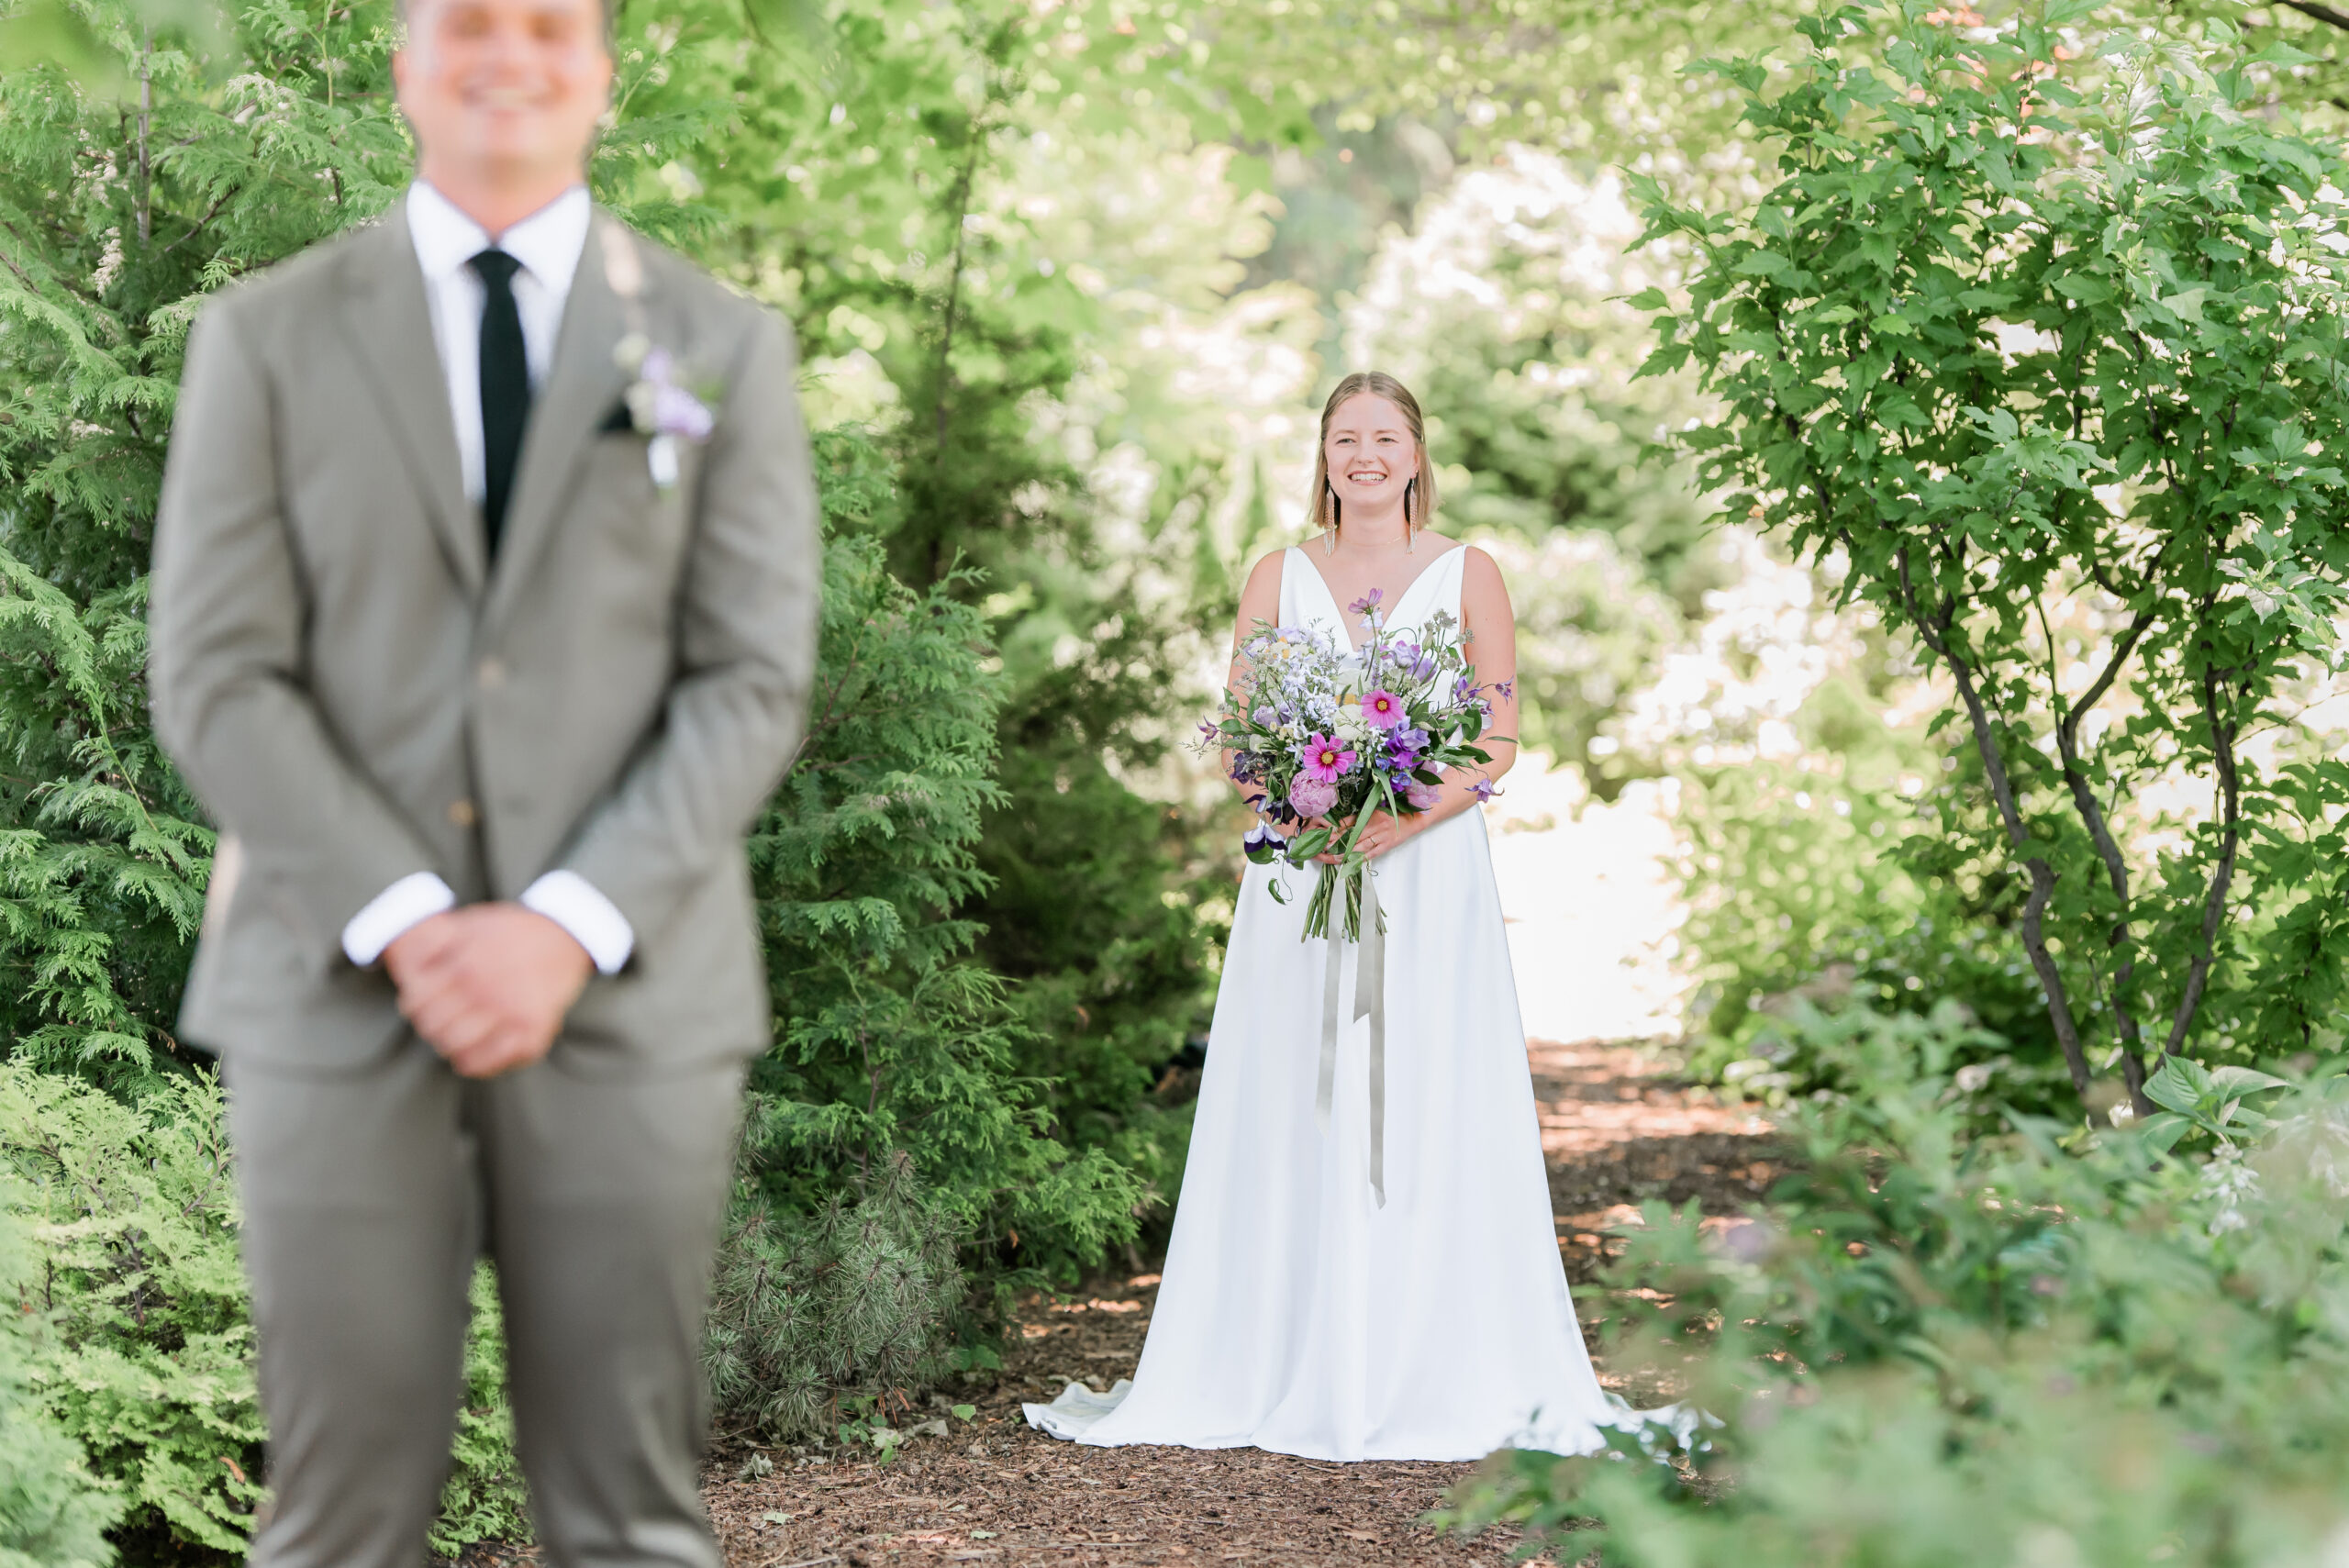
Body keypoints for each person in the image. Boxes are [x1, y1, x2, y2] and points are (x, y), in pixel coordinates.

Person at [146, 0, 818, 1558]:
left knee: (630, 1513)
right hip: (332, 989)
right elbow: (218, 673)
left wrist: (566, 919)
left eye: (546, 25)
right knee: (334, 1514)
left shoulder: (717, 343)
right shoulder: (267, 335)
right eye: (465, 22)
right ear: (406, 65)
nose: (504, 52)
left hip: (634, 998)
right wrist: (405, 915)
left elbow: (751, 676)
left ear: (596, 70)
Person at [1025, 373, 1619, 1461]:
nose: (1364, 455)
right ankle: (1279, 1349)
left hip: (1427, 875)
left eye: (1383, 436)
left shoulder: (1468, 571)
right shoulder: (1277, 575)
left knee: (1424, 1090)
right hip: (1300, 877)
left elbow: (1496, 739)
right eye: (1345, 437)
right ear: (1324, 455)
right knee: (1298, 1095)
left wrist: (1398, 821)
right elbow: (1244, 731)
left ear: (1415, 451)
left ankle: (1428, 1356)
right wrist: (1295, 808)